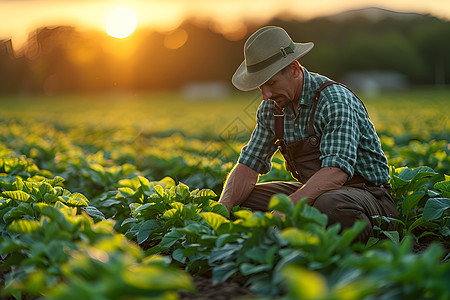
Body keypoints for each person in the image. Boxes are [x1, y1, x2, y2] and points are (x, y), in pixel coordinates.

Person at [218, 26, 399, 242]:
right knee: (243, 199)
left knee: (330, 205)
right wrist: (220, 211)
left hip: (368, 195)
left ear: (294, 68)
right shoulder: (271, 107)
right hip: (318, 191)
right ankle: (286, 238)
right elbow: (249, 164)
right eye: (260, 87)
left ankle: (364, 239)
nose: (266, 95)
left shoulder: (333, 101)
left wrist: (291, 206)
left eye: (271, 83)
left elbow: (336, 171)